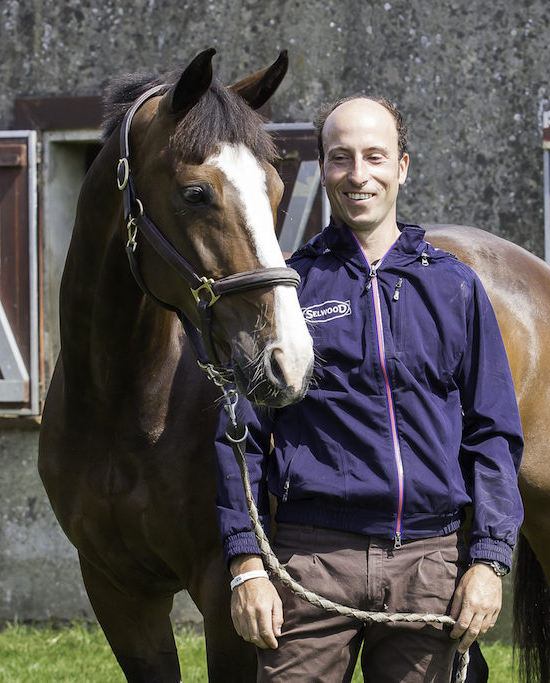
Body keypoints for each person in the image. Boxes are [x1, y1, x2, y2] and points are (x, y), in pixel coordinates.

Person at [214, 94, 524, 682]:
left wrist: (487, 560)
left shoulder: (455, 288)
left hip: (429, 564)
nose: (359, 175)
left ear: (401, 166)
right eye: (341, 158)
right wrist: (247, 566)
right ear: (323, 168)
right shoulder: (290, 291)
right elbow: (240, 440)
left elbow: (494, 434)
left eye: (375, 157)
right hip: (312, 562)